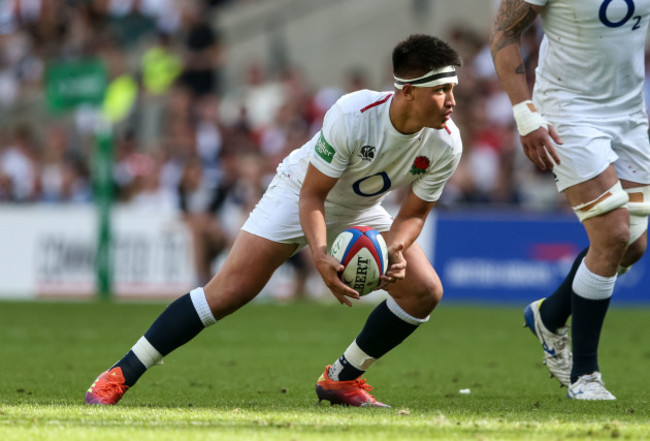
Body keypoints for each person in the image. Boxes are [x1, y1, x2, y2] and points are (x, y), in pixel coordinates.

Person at [84, 34, 463, 407]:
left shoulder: (446, 142)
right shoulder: (354, 115)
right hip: (298, 192)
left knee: (424, 291)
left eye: (452, 89)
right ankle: (119, 374)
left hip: (360, 210)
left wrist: (393, 248)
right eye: (441, 90)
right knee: (229, 292)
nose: (451, 101)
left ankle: (341, 379)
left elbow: (413, 214)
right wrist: (318, 253)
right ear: (408, 91)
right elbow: (313, 195)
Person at [490, 0, 650, 400]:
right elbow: (504, 33)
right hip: (569, 110)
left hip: (630, 111)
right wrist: (526, 114)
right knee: (611, 234)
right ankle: (585, 375)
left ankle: (549, 316)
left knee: (632, 245)